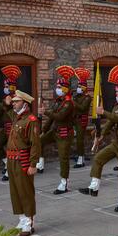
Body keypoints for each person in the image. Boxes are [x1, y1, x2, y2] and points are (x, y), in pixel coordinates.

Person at [79, 65, 118, 212]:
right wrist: (100, 134)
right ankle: (94, 187)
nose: (117, 96)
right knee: (98, 158)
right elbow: (110, 123)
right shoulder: (117, 106)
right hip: (116, 143)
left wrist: (103, 112)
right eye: (116, 93)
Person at [6, 90, 41, 236]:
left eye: (17, 101)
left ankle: (29, 222)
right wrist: (6, 101)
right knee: (15, 191)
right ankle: (21, 219)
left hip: (23, 160)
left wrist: (33, 164)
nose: (14, 104)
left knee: (25, 192)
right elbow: (7, 109)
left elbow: (35, 144)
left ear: (24, 104)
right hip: (11, 160)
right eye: (13, 101)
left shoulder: (31, 120)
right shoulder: (16, 116)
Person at [37, 66, 76, 194]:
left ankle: (64, 183)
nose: (57, 89)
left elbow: (59, 116)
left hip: (64, 134)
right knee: (40, 141)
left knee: (63, 158)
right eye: (57, 87)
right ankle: (40, 163)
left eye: (60, 87)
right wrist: (44, 129)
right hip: (55, 131)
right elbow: (52, 118)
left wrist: (45, 111)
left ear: (65, 89)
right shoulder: (58, 101)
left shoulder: (68, 103)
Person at [0, 65, 21, 181]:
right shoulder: (6, 97)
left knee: (11, 149)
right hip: (5, 128)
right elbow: (1, 112)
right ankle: (7, 163)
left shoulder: (17, 98)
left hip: (13, 127)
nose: (5, 88)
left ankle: (9, 171)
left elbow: (6, 107)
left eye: (7, 86)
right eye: (5, 86)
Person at [73, 67, 92, 168]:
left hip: (82, 120)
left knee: (80, 139)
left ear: (84, 87)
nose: (78, 88)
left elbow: (82, 107)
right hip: (75, 119)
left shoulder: (87, 97)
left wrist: (73, 102)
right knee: (76, 139)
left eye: (80, 86)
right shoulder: (77, 96)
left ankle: (81, 159)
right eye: (78, 86)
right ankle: (79, 155)